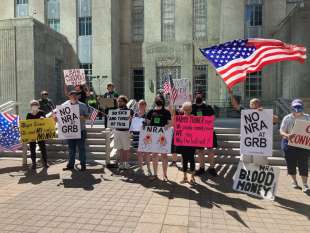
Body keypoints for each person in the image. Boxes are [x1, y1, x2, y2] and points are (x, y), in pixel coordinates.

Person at [280, 99, 309, 193]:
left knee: (303, 164)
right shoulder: (287, 118)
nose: (297, 109)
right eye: (295, 107)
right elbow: (281, 131)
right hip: (288, 144)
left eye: (299, 106)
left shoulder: (307, 117)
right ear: (292, 107)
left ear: (302, 107)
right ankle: (294, 181)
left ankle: (305, 185)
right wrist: (287, 135)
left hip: (303, 145)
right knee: (291, 163)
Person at [241, 98, 279, 165]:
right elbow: (236, 106)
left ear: (259, 104)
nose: (254, 105)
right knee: (246, 162)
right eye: (252, 103)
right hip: (248, 143)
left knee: (260, 163)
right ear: (250, 105)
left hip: (260, 144)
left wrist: (264, 112)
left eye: (256, 103)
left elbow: (276, 120)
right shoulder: (246, 114)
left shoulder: (264, 113)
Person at [61, 91, 90, 171]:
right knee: (71, 149)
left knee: (81, 148)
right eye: (72, 96)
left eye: (75, 96)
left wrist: (82, 117)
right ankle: (70, 165)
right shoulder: (64, 106)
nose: (74, 97)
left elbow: (88, 117)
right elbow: (61, 118)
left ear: (78, 97)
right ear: (69, 97)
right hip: (70, 131)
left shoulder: (83, 105)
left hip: (81, 130)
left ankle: (83, 165)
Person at [192, 91, 218, 177]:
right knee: (200, 151)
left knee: (210, 150)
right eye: (197, 95)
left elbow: (213, 118)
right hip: (197, 132)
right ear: (195, 97)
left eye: (200, 95)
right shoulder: (192, 107)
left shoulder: (208, 107)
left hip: (208, 131)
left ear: (202, 97)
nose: (198, 96)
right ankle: (201, 168)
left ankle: (211, 168)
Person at [146, 95, 172, 181]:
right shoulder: (151, 111)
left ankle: (165, 175)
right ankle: (155, 174)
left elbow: (170, 123)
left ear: (163, 101)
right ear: (155, 100)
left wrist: (167, 126)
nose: (159, 100)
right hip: (153, 137)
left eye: (160, 99)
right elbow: (148, 124)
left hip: (163, 136)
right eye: (157, 98)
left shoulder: (166, 112)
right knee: (154, 155)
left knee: (164, 156)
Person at [176, 102, 196, 184]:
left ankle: (192, 177)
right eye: (186, 109)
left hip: (192, 142)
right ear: (183, 110)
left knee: (191, 159)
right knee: (184, 159)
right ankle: (185, 176)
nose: (187, 111)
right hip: (184, 143)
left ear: (191, 110)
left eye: (188, 110)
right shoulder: (180, 118)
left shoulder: (194, 118)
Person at [130, 100, 151, 175]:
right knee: (139, 153)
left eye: (142, 104)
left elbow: (149, 125)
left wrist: (145, 123)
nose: (141, 106)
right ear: (138, 105)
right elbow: (132, 125)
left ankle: (148, 169)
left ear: (145, 105)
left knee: (146, 153)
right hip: (136, 135)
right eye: (140, 104)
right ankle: (141, 168)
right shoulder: (135, 114)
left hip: (145, 136)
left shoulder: (148, 114)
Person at [26, 100, 49, 169]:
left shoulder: (41, 112)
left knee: (43, 148)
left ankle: (45, 162)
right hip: (32, 134)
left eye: (35, 104)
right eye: (33, 104)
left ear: (38, 105)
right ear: (30, 106)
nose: (34, 105)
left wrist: (43, 119)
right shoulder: (29, 114)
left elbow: (46, 122)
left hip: (40, 133)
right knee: (32, 148)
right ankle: (34, 163)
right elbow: (27, 125)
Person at [113, 95, 134, 170]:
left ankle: (126, 163)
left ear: (125, 102)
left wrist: (129, 118)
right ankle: (121, 163)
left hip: (125, 132)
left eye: (120, 101)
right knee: (119, 149)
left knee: (126, 149)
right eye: (118, 101)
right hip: (117, 131)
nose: (119, 103)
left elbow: (131, 121)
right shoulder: (115, 111)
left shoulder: (129, 111)